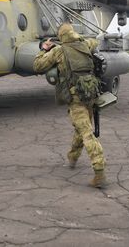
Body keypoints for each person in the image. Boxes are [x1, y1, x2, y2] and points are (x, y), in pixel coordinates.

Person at [33, 23, 106, 188]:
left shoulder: (58, 51)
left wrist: (44, 48)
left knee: (86, 133)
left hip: (76, 98)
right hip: (90, 94)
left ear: (61, 37)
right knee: (82, 128)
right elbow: (94, 42)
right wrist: (79, 38)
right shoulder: (85, 44)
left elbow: (37, 65)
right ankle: (72, 157)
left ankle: (99, 170)